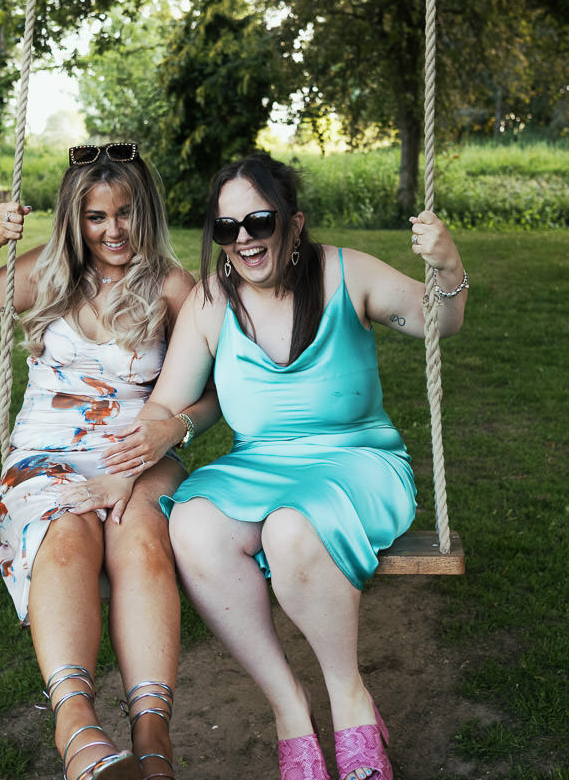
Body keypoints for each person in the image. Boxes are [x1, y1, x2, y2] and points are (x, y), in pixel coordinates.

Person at [106, 152, 468, 780]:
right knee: (191, 524)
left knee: (291, 527)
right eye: (227, 228)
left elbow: (444, 320)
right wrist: (136, 451)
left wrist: (447, 263)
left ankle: (350, 702)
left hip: (358, 463)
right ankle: (289, 710)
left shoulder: (344, 273)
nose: (244, 240)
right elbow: (167, 402)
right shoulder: (213, 301)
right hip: (260, 467)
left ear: (293, 224)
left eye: (259, 221)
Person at [0, 142, 216, 780]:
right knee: (67, 532)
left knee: (141, 539)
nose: (112, 230)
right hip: (45, 455)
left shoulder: (175, 287)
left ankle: (153, 734)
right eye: (96, 216)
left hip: (139, 454)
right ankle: (77, 727)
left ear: (144, 211)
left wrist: (169, 431)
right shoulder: (47, 271)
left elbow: (220, 388)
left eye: (124, 213)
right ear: (75, 219)